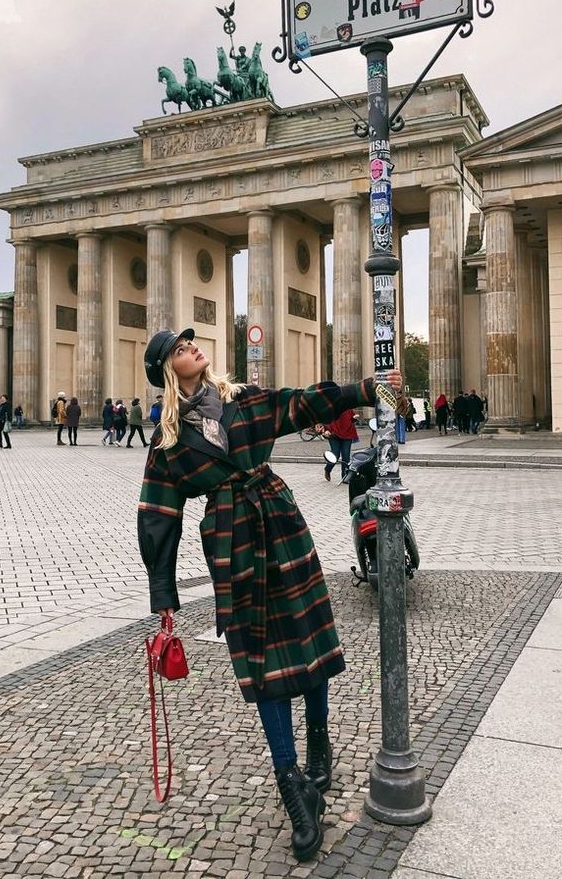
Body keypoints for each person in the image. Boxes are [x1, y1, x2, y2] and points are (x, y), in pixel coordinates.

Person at [137, 328, 406, 863]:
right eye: (181, 347)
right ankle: (294, 791)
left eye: (192, 342)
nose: (194, 346)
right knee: (262, 665)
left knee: (305, 641)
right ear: (170, 369)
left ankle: (319, 741)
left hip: (281, 522)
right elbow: (157, 516)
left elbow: (303, 403)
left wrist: (365, 387)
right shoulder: (167, 445)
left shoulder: (242, 401)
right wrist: (163, 595)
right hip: (232, 543)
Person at [315, 408, 358, 481]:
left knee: (346, 455)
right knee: (335, 454)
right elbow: (323, 421)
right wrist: (325, 430)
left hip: (347, 434)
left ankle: (345, 477)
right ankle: (328, 469)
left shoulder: (347, 407)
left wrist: (354, 418)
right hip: (333, 434)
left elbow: (351, 419)